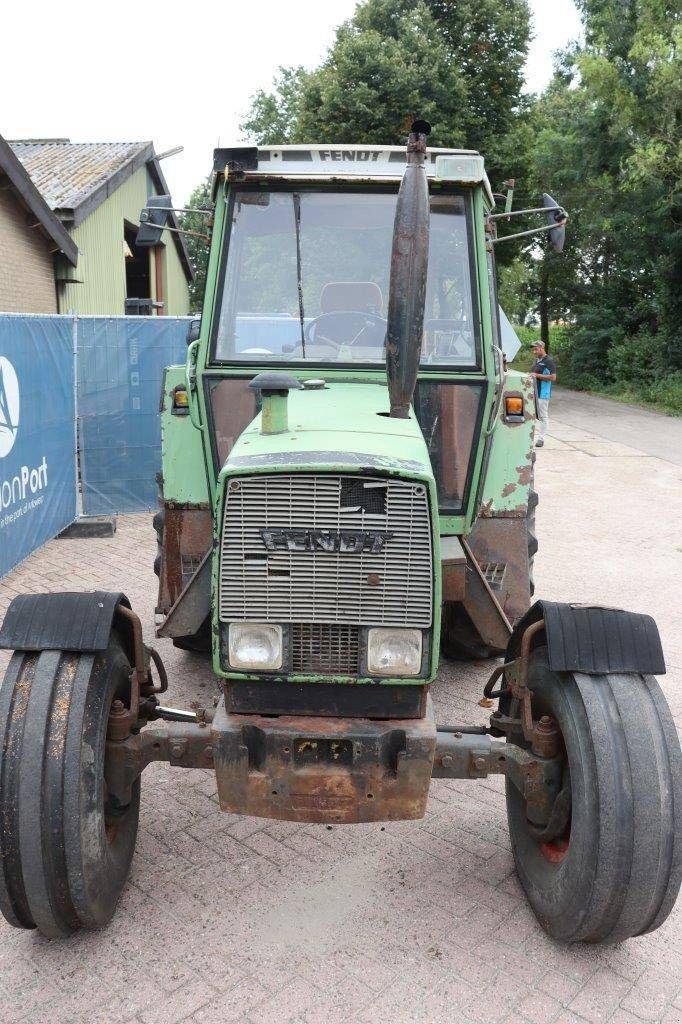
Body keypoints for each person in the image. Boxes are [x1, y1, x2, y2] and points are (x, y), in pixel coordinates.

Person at [531, 340, 557, 447]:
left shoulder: (549, 361)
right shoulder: (537, 361)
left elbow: (553, 377)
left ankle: (541, 439)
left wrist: (537, 376)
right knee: (533, 415)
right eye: (533, 349)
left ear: (542, 348)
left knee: (542, 416)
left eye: (536, 349)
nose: (534, 351)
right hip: (534, 393)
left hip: (543, 393)